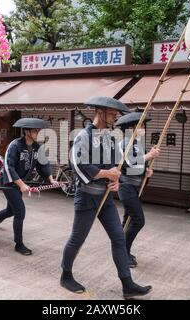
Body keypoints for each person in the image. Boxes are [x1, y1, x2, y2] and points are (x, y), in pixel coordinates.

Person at [61, 96, 152, 299]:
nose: (114, 118)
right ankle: (66, 275)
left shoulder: (111, 138)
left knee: (118, 238)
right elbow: (79, 165)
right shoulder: (83, 136)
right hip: (86, 197)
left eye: (115, 114)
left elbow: (116, 166)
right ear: (99, 112)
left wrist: (116, 180)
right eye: (111, 114)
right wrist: (106, 174)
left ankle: (127, 284)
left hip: (105, 198)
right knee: (78, 238)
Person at [0, 118, 56, 256]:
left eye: (38, 130)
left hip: (20, 182)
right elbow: (8, 167)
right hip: (8, 181)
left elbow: (43, 165)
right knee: (20, 211)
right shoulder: (15, 145)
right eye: (34, 130)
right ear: (26, 131)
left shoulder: (37, 148)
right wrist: (21, 185)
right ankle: (19, 244)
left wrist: (51, 180)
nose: (37, 132)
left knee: (11, 211)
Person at [115, 112, 160, 268]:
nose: (143, 128)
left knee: (127, 221)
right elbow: (131, 162)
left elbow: (138, 167)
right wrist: (149, 155)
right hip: (126, 188)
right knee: (138, 220)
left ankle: (121, 251)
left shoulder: (136, 143)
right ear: (131, 127)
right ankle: (123, 252)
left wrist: (147, 170)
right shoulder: (124, 143)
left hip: (134, 187)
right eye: (140, 125)